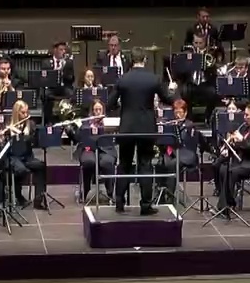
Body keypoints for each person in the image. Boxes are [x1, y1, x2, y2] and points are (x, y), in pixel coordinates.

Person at [107, 47, 177, 214]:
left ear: (131, 60)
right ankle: (145, 205)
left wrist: (123, 108)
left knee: (124, 164)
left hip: (127, 128)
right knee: (145, 165)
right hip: (146, 128)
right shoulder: (153, 79)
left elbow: (109, 104)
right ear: (145, 59)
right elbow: (167, 99)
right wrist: (172, 89)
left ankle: (119, 203)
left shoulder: (122, 79)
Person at [214, 103, 250, 217]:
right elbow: (239, 145)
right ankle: (227, 203)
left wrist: (241, 140)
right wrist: (230, 144)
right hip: (242, 160)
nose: (244, 117)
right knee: (223, 168)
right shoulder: (245, 127)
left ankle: (225, 207)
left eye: (247, 115)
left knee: (231, 171)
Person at [0, 100, 46, 210]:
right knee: (20, 170)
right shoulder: (8, 124)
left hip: (27, 156)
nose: (26, 115)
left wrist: (21, 134)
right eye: (23, 113)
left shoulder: (31, 124)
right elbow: (4, 147)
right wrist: (1, 139)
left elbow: (33, 141)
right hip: (13, 157)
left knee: (41, 166)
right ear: (16, 113)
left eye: (26, 112)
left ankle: (38, 200)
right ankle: (18, 196)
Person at [156, 99, 201, 200]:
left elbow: (189, 143)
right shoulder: (170, 124)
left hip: (186, 154)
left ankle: (170, 195)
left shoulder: (190, 125)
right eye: (175, 112)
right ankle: (161, 191)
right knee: (160, 162)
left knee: (172, 164)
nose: (177, 115)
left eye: (180, 112)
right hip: (173, 152)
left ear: (185, 113)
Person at [75, 100, 115, 202]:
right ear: (92, 111)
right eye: (95, 110)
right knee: (88, 162)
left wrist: (105, 126)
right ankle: (85, 191)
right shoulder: (85, 122)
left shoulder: (108, 122)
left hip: (106, 149)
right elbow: (78, 137)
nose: (98, 112)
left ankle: (110, 192)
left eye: (100, 110)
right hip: (88, 149)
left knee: (107, 162)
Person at [43, 41, 75, 125]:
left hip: (64, 87)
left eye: (64, 50)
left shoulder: (68, 63)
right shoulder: (46, 62)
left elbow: (72, 79)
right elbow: (44, 78)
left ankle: (70, 117)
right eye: (61, 49)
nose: (63, 52)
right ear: (55, 50)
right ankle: (48, 120)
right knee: (45, 95)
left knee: (72, 94)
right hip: (51, 88)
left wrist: (63, 72)